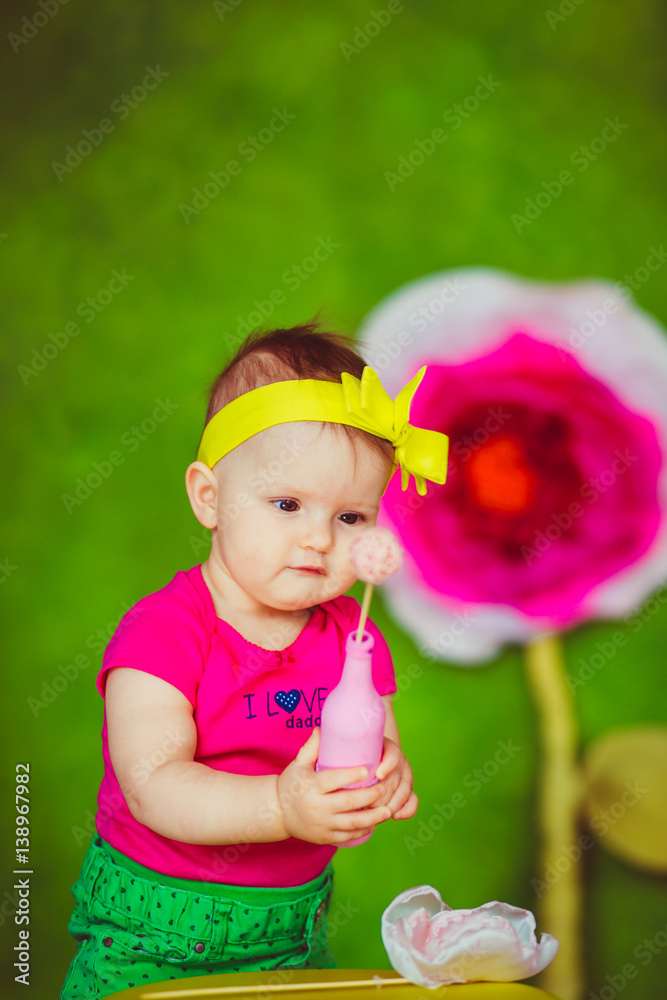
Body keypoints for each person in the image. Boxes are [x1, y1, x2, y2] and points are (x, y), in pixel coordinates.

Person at [60, 320, 449, 999]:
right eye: (286, 504)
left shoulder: (352, 638)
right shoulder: (164, 633)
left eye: (350, 517)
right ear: (210, 498)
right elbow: (154, 786)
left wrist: (382, 777)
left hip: (290, 929)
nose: (318, 540)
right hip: (154, 930)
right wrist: (282, 806)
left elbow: (371, 743)